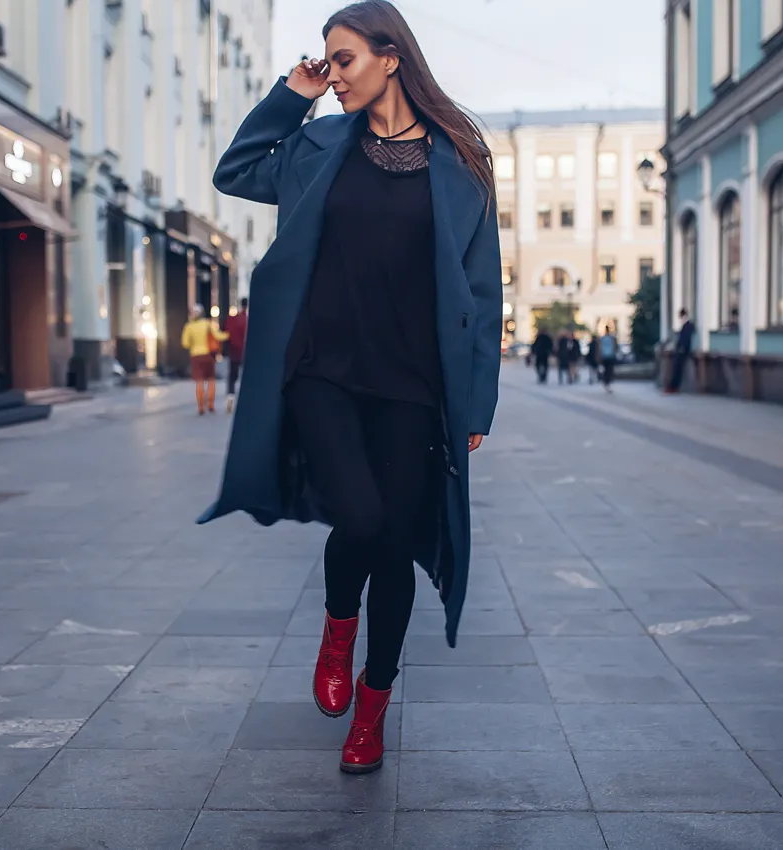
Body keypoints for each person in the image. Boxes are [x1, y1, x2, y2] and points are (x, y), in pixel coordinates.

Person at [197, 0, 502, 775]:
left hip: (411, 381)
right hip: (321, 368)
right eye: (327, 62)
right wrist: (290, 96)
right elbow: (234, 171)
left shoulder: (459, 163)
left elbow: (482, 289)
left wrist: (475, 399)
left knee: (394, 544)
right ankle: (339, 627)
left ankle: (372, 705)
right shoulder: (317, 143)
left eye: (344, 61)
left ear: (390, 57)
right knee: (361, 516)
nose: (333, 76)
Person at [180, 305, 228, 415]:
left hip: (196, 355)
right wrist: (228, 335)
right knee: (211, 379)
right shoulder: (208, 324)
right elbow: (219, 336)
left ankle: (201, 406)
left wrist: (194, 343)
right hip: (208, 355)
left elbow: (185, 343)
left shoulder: (189, 327)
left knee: (199, 380)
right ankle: (210, 404)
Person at [222, 297, 250, 412]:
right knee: (247, 377)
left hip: (234, 352)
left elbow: (226, 333)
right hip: (246, 353)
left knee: (232, 376)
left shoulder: (233, 319)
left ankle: (230, 398)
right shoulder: (249, 319)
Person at [666, 308, 696, 394]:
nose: (680, 319)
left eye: (681, 317)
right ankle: (673, 386)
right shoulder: (686, 326)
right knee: (676, 368)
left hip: (683, 351)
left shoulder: (687, 326)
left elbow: (685, 339)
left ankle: (674, 386)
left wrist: (681, 348)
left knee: (677, 368)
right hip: (681, 350)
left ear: (684, 316)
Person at [599, 325, 618, 392]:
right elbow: (614, 346)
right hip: (609, 356)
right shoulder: (611, 338)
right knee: (609, 370)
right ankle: (607, 382)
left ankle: (606, 382)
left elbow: (600, 348)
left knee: (606, 370)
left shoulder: (602, 338)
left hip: (605, 356)